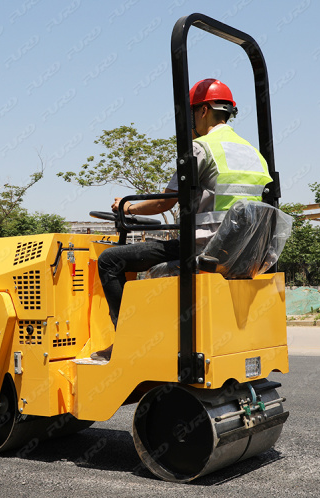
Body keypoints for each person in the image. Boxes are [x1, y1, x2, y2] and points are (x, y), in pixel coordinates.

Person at [91, 78, 273, 361]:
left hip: (204, 248)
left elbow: (166, 202)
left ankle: (125, 342)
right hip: (243, 254)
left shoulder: (203, 148)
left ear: (202, 111)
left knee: (110, 260)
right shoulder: (253, 154)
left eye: (191, 113)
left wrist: (127, 208)